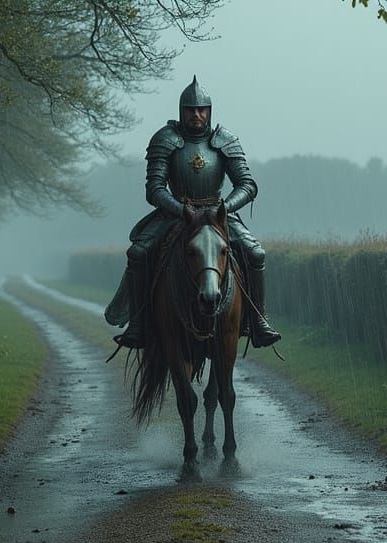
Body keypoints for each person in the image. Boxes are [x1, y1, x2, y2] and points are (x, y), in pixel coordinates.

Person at [106, 75, 281, 350]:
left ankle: (257, 321)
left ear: (209, 112)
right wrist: (182, 209)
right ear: (181, 111)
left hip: (218, 213)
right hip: (176, 213)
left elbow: (247, 184)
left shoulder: (225, 140)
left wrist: (224, 208)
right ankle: (138, 324)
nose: (196, 114)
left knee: (255, 253)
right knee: (138, 253)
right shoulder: (165, 139)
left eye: (201, 110)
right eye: (191, 109)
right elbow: (155, 188)